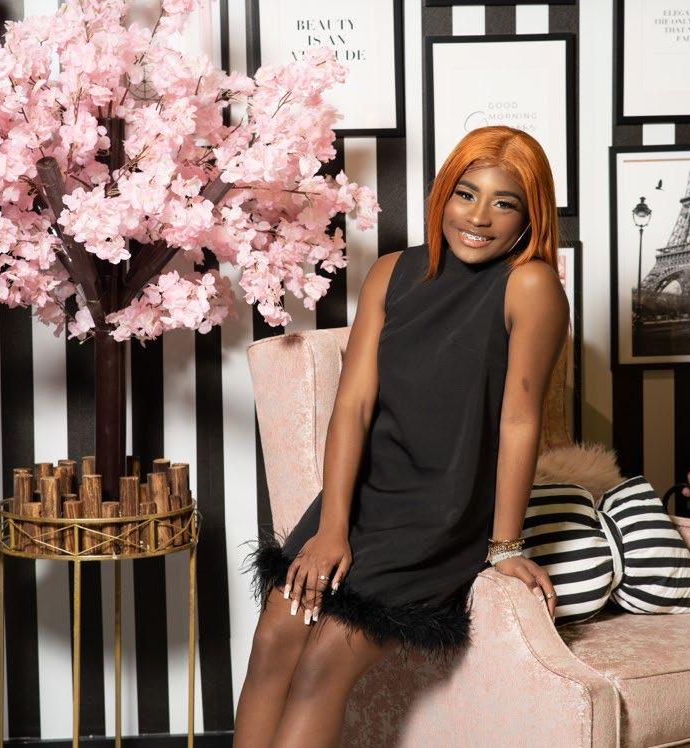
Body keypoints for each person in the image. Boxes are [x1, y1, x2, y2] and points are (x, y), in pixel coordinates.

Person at [233, 125, 569, 747]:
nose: (478, 217)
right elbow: (354, 404)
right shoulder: (390, 273)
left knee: (325, 663)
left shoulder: (531, 285)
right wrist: (333, 527)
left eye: (504, 203)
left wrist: (505, 545)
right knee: (273, 638)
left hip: (442, 511)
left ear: (530, 216)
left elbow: (520, 421)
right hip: (364, 493)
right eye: (466, 194)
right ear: (443, 194)